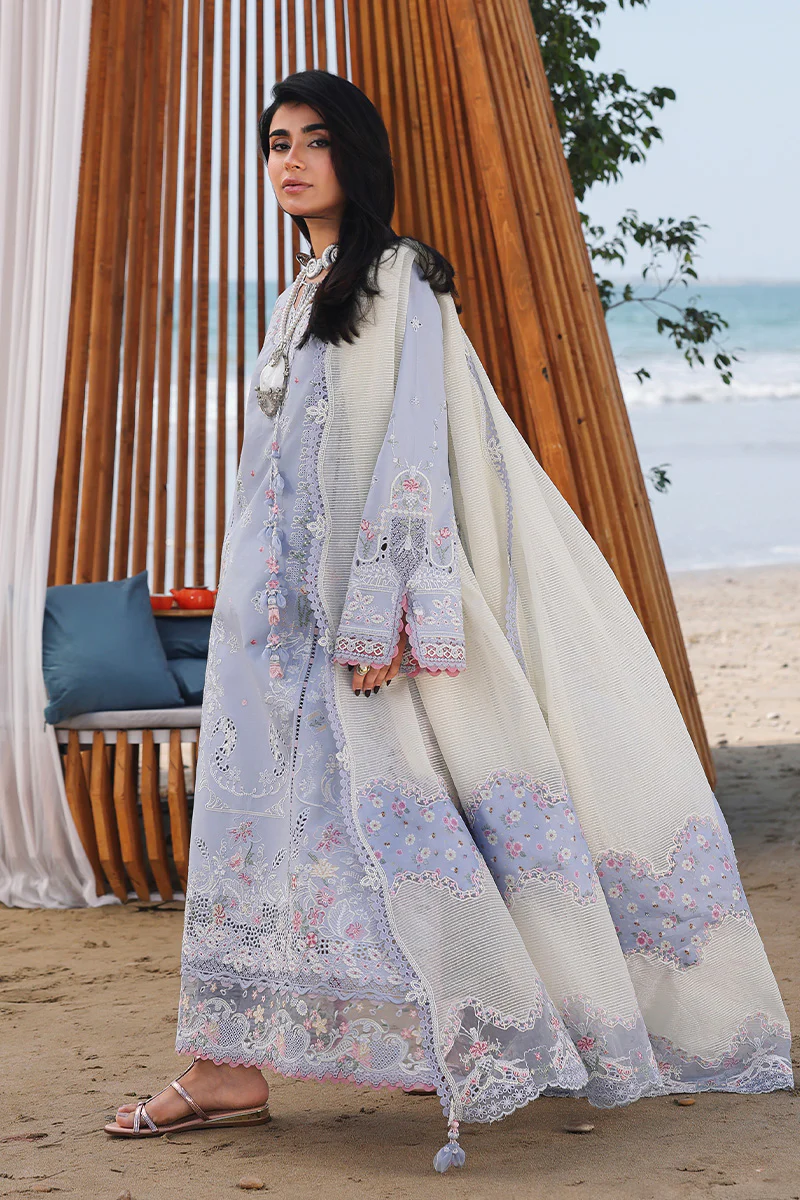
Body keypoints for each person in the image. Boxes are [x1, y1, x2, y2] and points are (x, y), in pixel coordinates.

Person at [105, 69, 793, 1171]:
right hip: (270, 628)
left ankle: (470, 1031)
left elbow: (413, 449)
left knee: (409, 828)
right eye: (276, 142)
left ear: (356, 156)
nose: (290, 160)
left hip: (354, 624)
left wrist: (381, 616)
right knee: (269, 835)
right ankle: (231, 1062)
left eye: (314, 140)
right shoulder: (302, 289)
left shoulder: (399, 278)